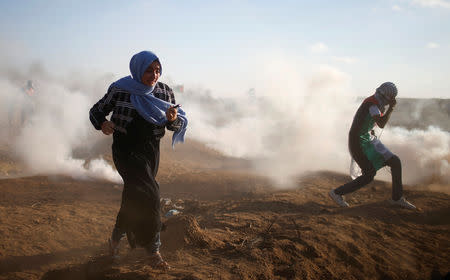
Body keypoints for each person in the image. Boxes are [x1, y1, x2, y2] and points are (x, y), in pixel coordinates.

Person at [89, 50, 188, 269]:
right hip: (125, 149)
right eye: (149, 70)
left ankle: (114, 241)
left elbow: (175, 123)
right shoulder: (120, 88)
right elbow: (96, 111)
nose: (154, 75)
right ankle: (153, 251)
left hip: (151, 150)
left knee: (134, 196)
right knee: (151, 192)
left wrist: (172, 120)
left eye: (158, 70)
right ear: (137, 69)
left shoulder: (164, 91)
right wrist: (103, 124)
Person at [329, 82, 416, 209]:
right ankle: (337, 193)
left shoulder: (375, 102)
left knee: (395, 161)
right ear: (386, 96)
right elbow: (381, 123)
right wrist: (391, 108)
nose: (390, 102)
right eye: (390, 99)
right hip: (357, 141)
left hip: (367, 139)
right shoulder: (372, 104)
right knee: (369, 174)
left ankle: (397, 198)